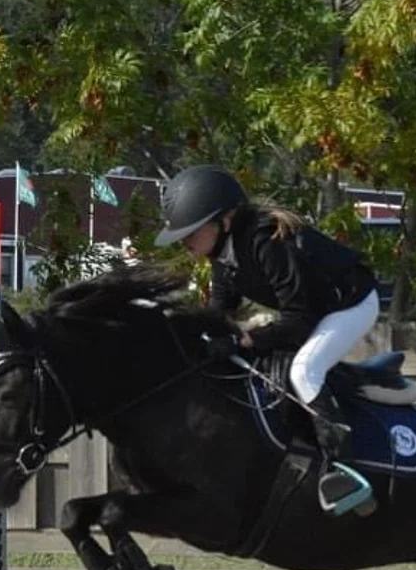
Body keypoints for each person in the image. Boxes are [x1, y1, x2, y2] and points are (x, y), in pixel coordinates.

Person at [156, 164, 380, 516]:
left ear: (224, 221)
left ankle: (346, 471)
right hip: (314, 310)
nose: (184, 242)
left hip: (353, 303)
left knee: (304, 370)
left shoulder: (266, 242)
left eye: (191, 232)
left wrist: (243, 341)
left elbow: (299, 321)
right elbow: (218, 314)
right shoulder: (224, 255)